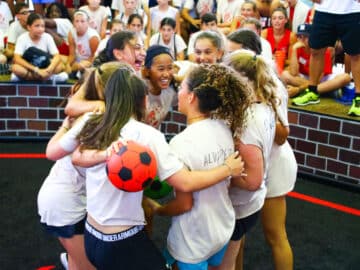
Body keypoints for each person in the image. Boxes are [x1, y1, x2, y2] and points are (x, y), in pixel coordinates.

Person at [48, 66, 244, 269]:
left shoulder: (92, 120)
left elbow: (74, 156)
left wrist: (104, 155)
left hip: (91, 235)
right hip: (121, 240)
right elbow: (184, 182)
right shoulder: (147, 135)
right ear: (143, 100)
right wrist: (227, 169)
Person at [145, 64, 252, 270]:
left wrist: (160, 210)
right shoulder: (223, 128)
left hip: (193, 240)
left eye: (182, 87)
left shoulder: (181, 143)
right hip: (221, 228)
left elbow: (184, 204)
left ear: (192, 96)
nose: (179, 93)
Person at [38, 61, 126, 270]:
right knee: (89, 266)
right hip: (63, 203)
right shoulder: (92, 117)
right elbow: (51, 152)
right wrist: (67, 125)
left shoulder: (102, 114)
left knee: (80, 262)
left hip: (79, 199)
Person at [224, 28, 297, 270]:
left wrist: (260, 113)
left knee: (275, 235)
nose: (228, 61)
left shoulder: (272, 87)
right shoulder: (235, 87)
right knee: (237, 235)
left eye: (233, 55)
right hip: (254, 164)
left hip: (274, 163)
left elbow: (283, 135)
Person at [219, 50, 278, 270]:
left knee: (223, 266)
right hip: (249, 204)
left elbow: (251, 180)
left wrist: (216, 176)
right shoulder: (263, 104)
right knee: (230, 261)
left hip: (241, 204)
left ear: (242, 81)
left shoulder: (249, 120)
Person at [295, 0, 360, 116]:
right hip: (324, 9)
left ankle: (358, 98)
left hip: (352, 10)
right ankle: (312, 90)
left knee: (356, 54)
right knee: (316, 49)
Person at [282, 23, 351, 100]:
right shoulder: (297, 48)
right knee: (285, 75)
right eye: (299, 37)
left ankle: (314, 91)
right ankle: (325, 90)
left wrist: (298, 90)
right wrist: (294, 50)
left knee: (346, 77)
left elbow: (317, 80)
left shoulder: (323, 50)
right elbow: (293, 73)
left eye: (305, 36)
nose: (302, 39)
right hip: (306, 78)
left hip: (323, 79)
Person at [11, 13, 68, 82]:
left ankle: (32, 78)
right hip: (29, 68)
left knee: (60, 66)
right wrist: (36, 70)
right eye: (37, 26)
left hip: (45, 68)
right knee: (15, 68)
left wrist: (49, 69)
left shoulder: (47, 37)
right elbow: (17, 58)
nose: (40, 29)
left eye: (42, 26)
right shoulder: (22, 38)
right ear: (29, 27)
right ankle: (47, 78)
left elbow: (57, 56)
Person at [142, 45, 177, 129]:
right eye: (161, 69)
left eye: (170, 68)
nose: (166, 74)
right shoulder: (139, 90)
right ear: (147, 71)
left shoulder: (171, 92)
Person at [261, 7, 297, 74]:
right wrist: (271, 58)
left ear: (286, 20)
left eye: (280, 18)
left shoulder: (292, 36)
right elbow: (260, 55)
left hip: (284, 67)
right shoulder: (264, 33)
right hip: (267, 65)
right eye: (274, 18)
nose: (277, 21)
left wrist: (280, 59)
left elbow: (291, 61)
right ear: (271, 21)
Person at [67, 9, 100, 78]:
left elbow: (95, 57)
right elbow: (72, 54)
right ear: (73, 23)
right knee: (63, 65)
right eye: (77, 21)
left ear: (87, 23)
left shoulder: (93, 37)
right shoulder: (71, 33)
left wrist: (81, 65)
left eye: (82, 21)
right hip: (78, 61)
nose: (79, 24)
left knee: (81, 67)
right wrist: (68, 65)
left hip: (90, 61)